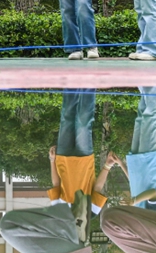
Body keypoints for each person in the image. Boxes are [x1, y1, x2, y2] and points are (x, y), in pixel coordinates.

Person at [48, 90, 119, 241]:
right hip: (84, 158)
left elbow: (56, 183)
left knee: (66, 117)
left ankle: (71, 81)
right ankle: (89, 84)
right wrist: (107, 166)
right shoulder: (91, 212)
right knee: (83, 122)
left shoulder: (59, 210)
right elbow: (98, 188)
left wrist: (52, 160)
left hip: (63, 158)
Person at [116, 86, 156, 210]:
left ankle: (145, 89)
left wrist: (121, 164)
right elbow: (153, 193)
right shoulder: (154, 220)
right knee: (150, 119)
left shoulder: (139, 217)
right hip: (148, 163)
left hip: (137, 163)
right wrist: (133, 201)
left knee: (140, 118)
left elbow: (136, 185)